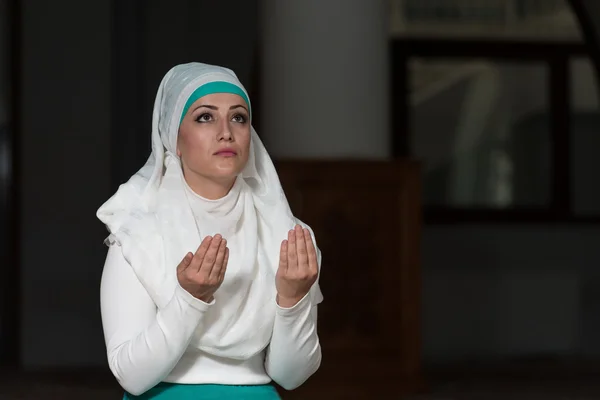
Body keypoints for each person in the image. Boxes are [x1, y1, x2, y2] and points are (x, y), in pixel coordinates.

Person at [97, 62, 323, 399]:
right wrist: (189, 299)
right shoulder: (137, 232)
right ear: (173, 137)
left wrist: (292, 299)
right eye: (205, 117)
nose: (226, 132)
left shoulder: (286, 235)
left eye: (238, 117)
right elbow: (131, 375)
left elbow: (291, 376)